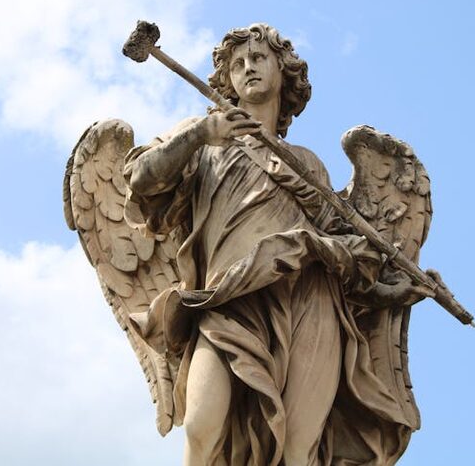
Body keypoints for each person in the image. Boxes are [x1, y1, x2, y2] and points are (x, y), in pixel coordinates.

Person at [125, 24, 427, 465]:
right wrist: (200, 135)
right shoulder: (206, 139)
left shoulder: (306, 164)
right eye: (237, 64)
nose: (248, 67)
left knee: (298, 449)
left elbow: (347, 249)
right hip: (227, 300)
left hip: (308, 300)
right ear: (225, 80)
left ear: (283, 72)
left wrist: (391, 291)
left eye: (259, 58)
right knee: (201, 426)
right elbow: (141, 179)